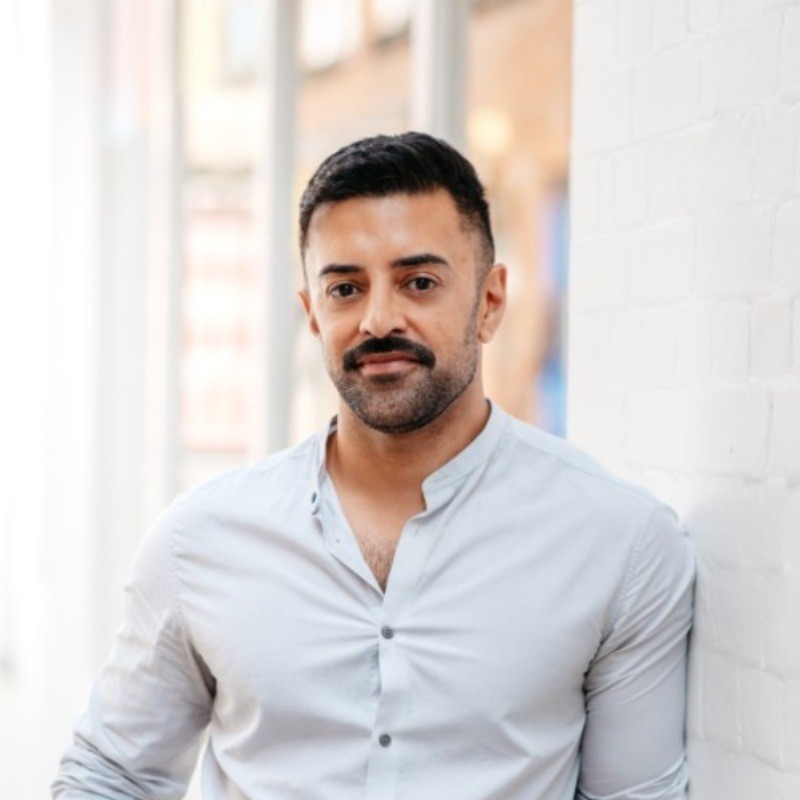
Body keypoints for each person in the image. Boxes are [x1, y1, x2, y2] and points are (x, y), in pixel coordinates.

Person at [53, 132, 694, 800]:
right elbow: (110, 775)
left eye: (419, 282)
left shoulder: (618, 543)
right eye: (345, 288)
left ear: (489, 302)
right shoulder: (200, 541)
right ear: (312, 314)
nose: (379, 319)